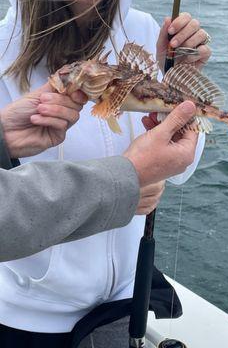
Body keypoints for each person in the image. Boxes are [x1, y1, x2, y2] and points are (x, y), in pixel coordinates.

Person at [0, 0, 211, 347]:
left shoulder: (147, 30)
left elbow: (179, 170)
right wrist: (127, 180)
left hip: (124, 303)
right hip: (27, 318)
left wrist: (179, 86)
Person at [0, 82, 199, 262]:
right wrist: (126, 178)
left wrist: (2, 137)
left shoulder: (143, 42)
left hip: (129, 278)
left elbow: (180, 170)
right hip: (30, 292)